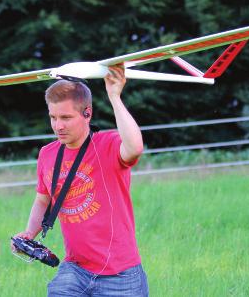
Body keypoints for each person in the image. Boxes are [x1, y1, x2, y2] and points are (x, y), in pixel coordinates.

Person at [12, 65, 149, 296]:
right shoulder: (47, 153)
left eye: (66, 117)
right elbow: (43, 200)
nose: (58, 126)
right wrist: (29, 233)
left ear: (87, 113)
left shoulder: (108, 144)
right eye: (53, 117)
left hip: (121, 274)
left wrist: (114, 96)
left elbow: (135, 147)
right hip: (76, 269)